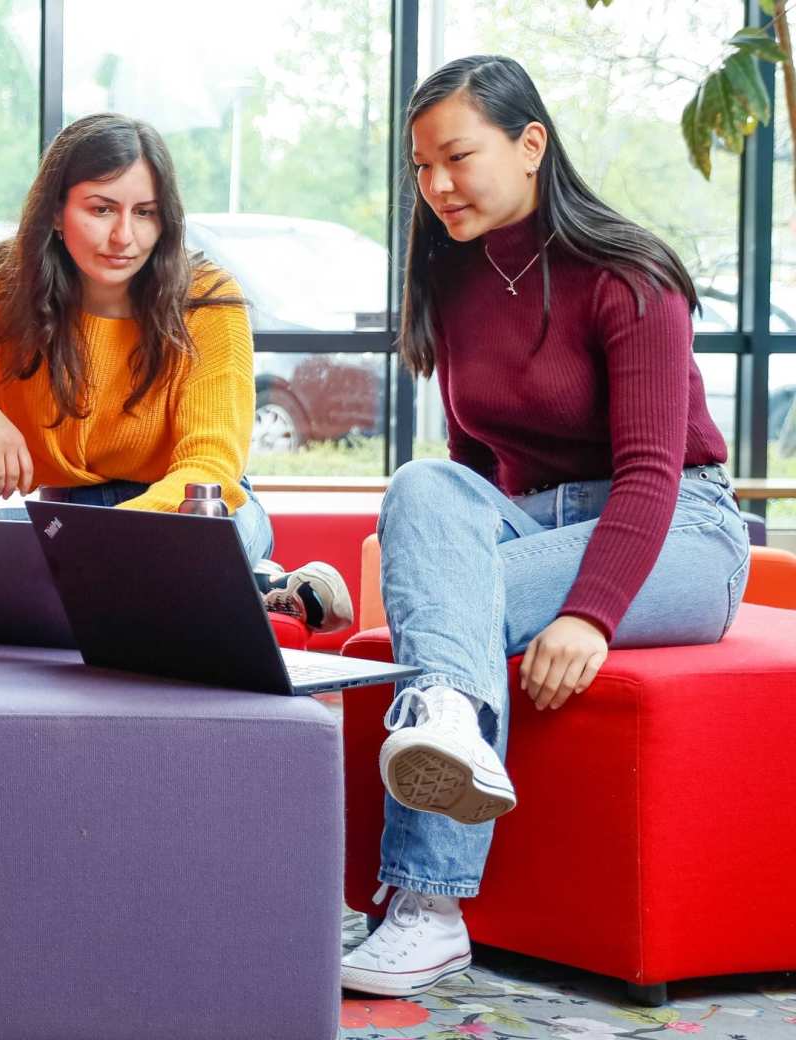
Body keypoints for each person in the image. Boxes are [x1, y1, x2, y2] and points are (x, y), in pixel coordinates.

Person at [340, 56, 750, 995]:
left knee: (451, 617)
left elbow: (650, 473)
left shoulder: (628, 274)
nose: (436, 185)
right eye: (420, 167)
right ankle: (448, 717)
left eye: (456, 157)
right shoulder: (452, 275)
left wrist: (588, 615)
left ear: (531, 146)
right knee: (421, 484)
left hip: (680, 532)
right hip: (536, 523)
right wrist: (449, 550)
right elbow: (472, 471)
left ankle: (426, 907)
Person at [0, 113, 352, 634]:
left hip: (197, 512)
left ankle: (231, 581)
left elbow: (210, 464)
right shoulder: (7, 283)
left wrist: (108, 545)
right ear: (57, 213)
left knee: (147, 566)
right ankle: (258, 589)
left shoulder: (207, 297)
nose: (124, 236)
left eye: (145, 213)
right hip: (72, 518)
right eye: (101, 209)